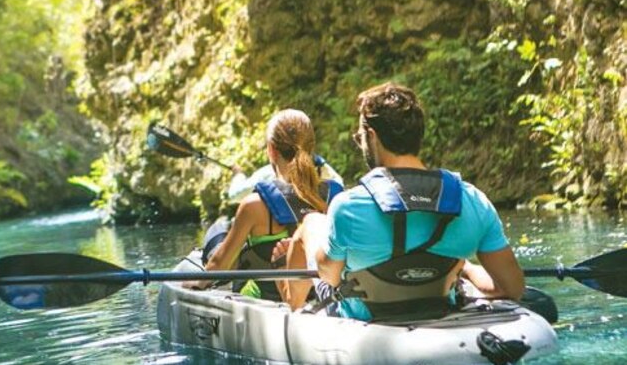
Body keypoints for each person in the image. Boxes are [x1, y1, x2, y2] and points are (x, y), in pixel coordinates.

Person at [282, 82, 525, 321]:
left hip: (363, 316)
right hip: (440, 306)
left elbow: (330, 277)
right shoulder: (474, 200)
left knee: (312, 221)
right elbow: (512, 288)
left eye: (360, 137)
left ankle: (294, 309)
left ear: (372, 136)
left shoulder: (348, 207)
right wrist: (467, 270)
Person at [184, 109, 343, 301]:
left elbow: (219, 264)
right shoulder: (336, 196)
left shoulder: (254, 206)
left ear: (271, 150)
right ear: (312, 148)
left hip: (270, 296)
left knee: (219, 229)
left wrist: (198, 282)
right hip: (322, 294)